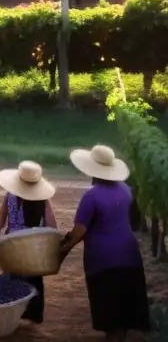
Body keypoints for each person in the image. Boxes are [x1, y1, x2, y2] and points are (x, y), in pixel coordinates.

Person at [60, 145, 150, 342]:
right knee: (124, 313)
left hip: (103, 261)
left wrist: (61, 251)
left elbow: (79, 232)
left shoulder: (91, 196)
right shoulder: (126, 190)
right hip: (130, 256)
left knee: (110, 316)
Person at [0, 161, 57, 323]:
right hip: (33, 246)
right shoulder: (42, 200)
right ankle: (34, 314)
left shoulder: (10, 196)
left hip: (12, 245)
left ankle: (12, 314)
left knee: (12, 279)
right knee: (34, 281)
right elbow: (52, 226)